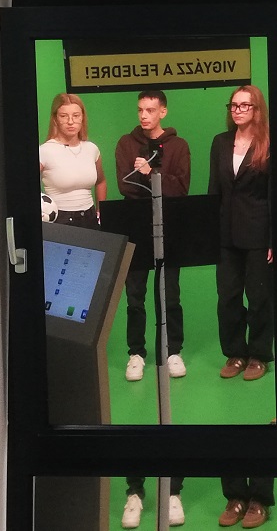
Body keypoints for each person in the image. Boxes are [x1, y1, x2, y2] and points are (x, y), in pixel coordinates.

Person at [115, 89, 191, 382]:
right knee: (135, 294)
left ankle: (173, 352)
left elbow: (180, 188)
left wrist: (149, 173)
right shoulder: (126, 143)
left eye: (150, 110)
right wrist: (158, 183)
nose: (144, 115)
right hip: (135, 225)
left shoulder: (179, 146)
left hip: (169, 226)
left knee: (170, 292)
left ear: (163, 112)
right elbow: (125, 186)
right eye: (140, 110)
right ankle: (136, 354)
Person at [209, 85, 273, 381]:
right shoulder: (220, 142)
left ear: (257, 109)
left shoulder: (269, 143)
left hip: (259, 234)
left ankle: (258, 355)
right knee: (228, 297)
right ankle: (235, 353)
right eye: (233, 105)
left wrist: (273, 238)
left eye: (244, 105)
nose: (237, 110)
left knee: (259, 297)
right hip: (225, 234)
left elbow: (274, 194)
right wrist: (209, 232)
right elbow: (214, 189)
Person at [39, 93, 106, 229]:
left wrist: (101, 211)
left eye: (76, 115)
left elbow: (101, 181)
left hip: (90, 218)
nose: (70, 121)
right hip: (59, 220)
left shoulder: (91, 149)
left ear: (82, 117)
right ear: (55, 119)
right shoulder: (44, 151)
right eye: (64, 116)